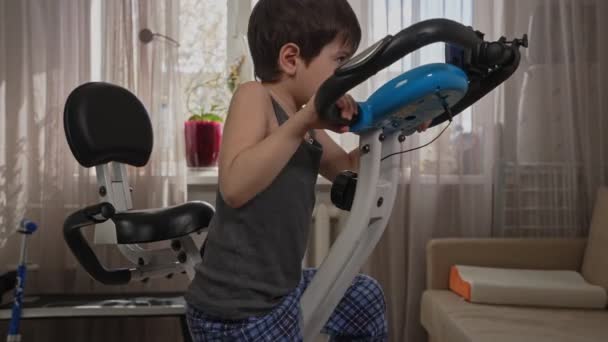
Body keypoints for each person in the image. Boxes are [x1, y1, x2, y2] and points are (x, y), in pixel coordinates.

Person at [185, 1, 430, 340]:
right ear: (290, 59)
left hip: (281, 293)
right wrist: (303, 121)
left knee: (364, 296)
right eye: (340, 61)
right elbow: (235, 187)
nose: (345, 74)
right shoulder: (255, 97)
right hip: (236, 311)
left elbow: (346, 168)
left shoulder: (305, 123)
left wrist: (396, 126)